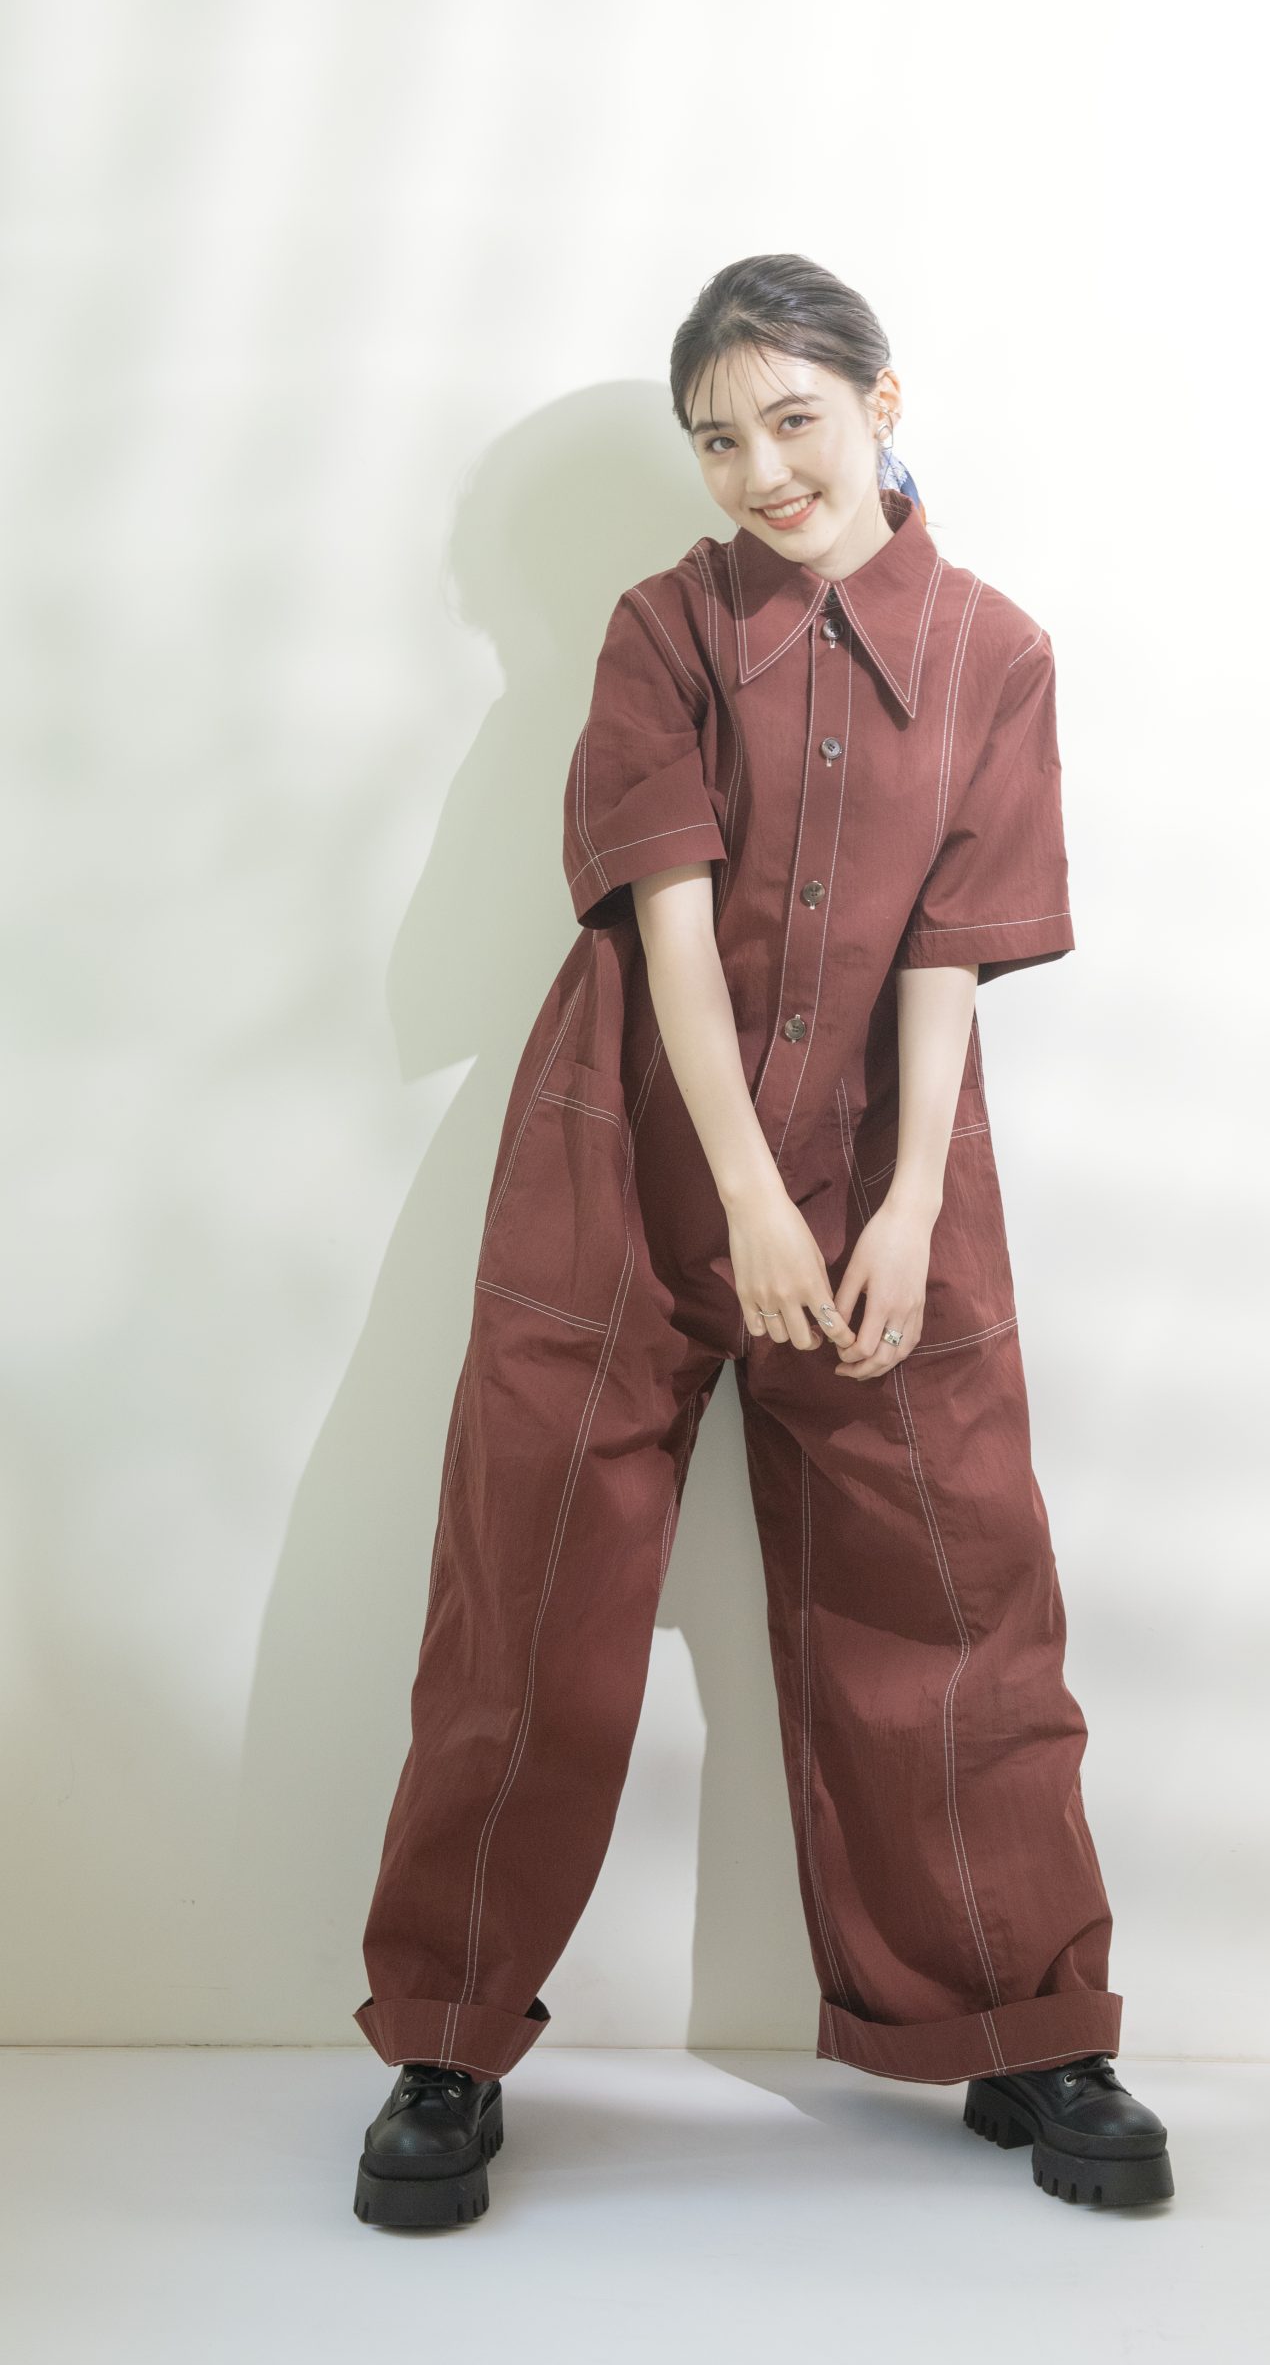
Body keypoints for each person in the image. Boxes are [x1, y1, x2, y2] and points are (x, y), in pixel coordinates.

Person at [350, 254, 1174, 2226]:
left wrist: (903, 1209)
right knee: (527, 1596)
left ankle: (1025, 2023)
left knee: (958, 1593)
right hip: (625, 1158)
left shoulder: (995, 654)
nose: (758, 469)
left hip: (889, 1165)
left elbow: (949, 956)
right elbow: (664, 917)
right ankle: (446, 2043)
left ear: (881, 400)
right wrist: (736, 1196)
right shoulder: (665, 628)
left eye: (791, 418)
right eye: (716, 439)